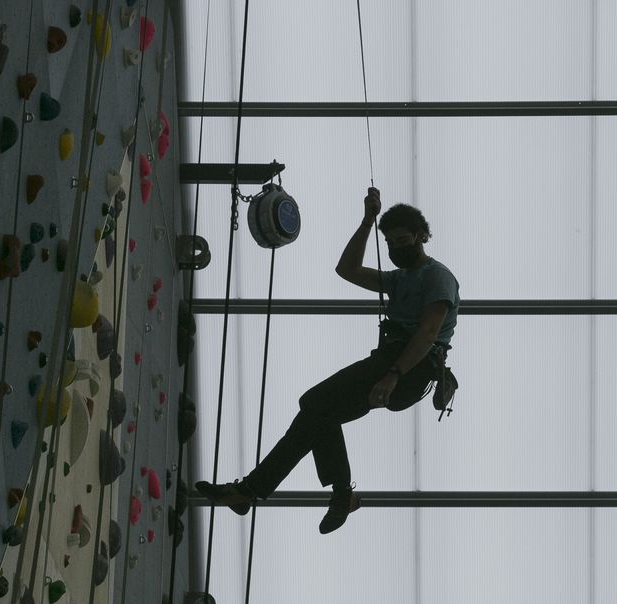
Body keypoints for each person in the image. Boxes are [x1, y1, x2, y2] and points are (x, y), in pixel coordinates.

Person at [196, 187, 460, 533]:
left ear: (422, 236)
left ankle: (335, 493)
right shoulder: (399, 279)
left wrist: (394, 374)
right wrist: (367, 221)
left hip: (410, 368)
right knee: (316, 416)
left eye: (403, 240)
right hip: (390, 363)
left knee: (314, 403)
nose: (397, 248)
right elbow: (347, 269)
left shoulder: (437, 276)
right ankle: (249, 492)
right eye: (391, 243)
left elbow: (427, 334)